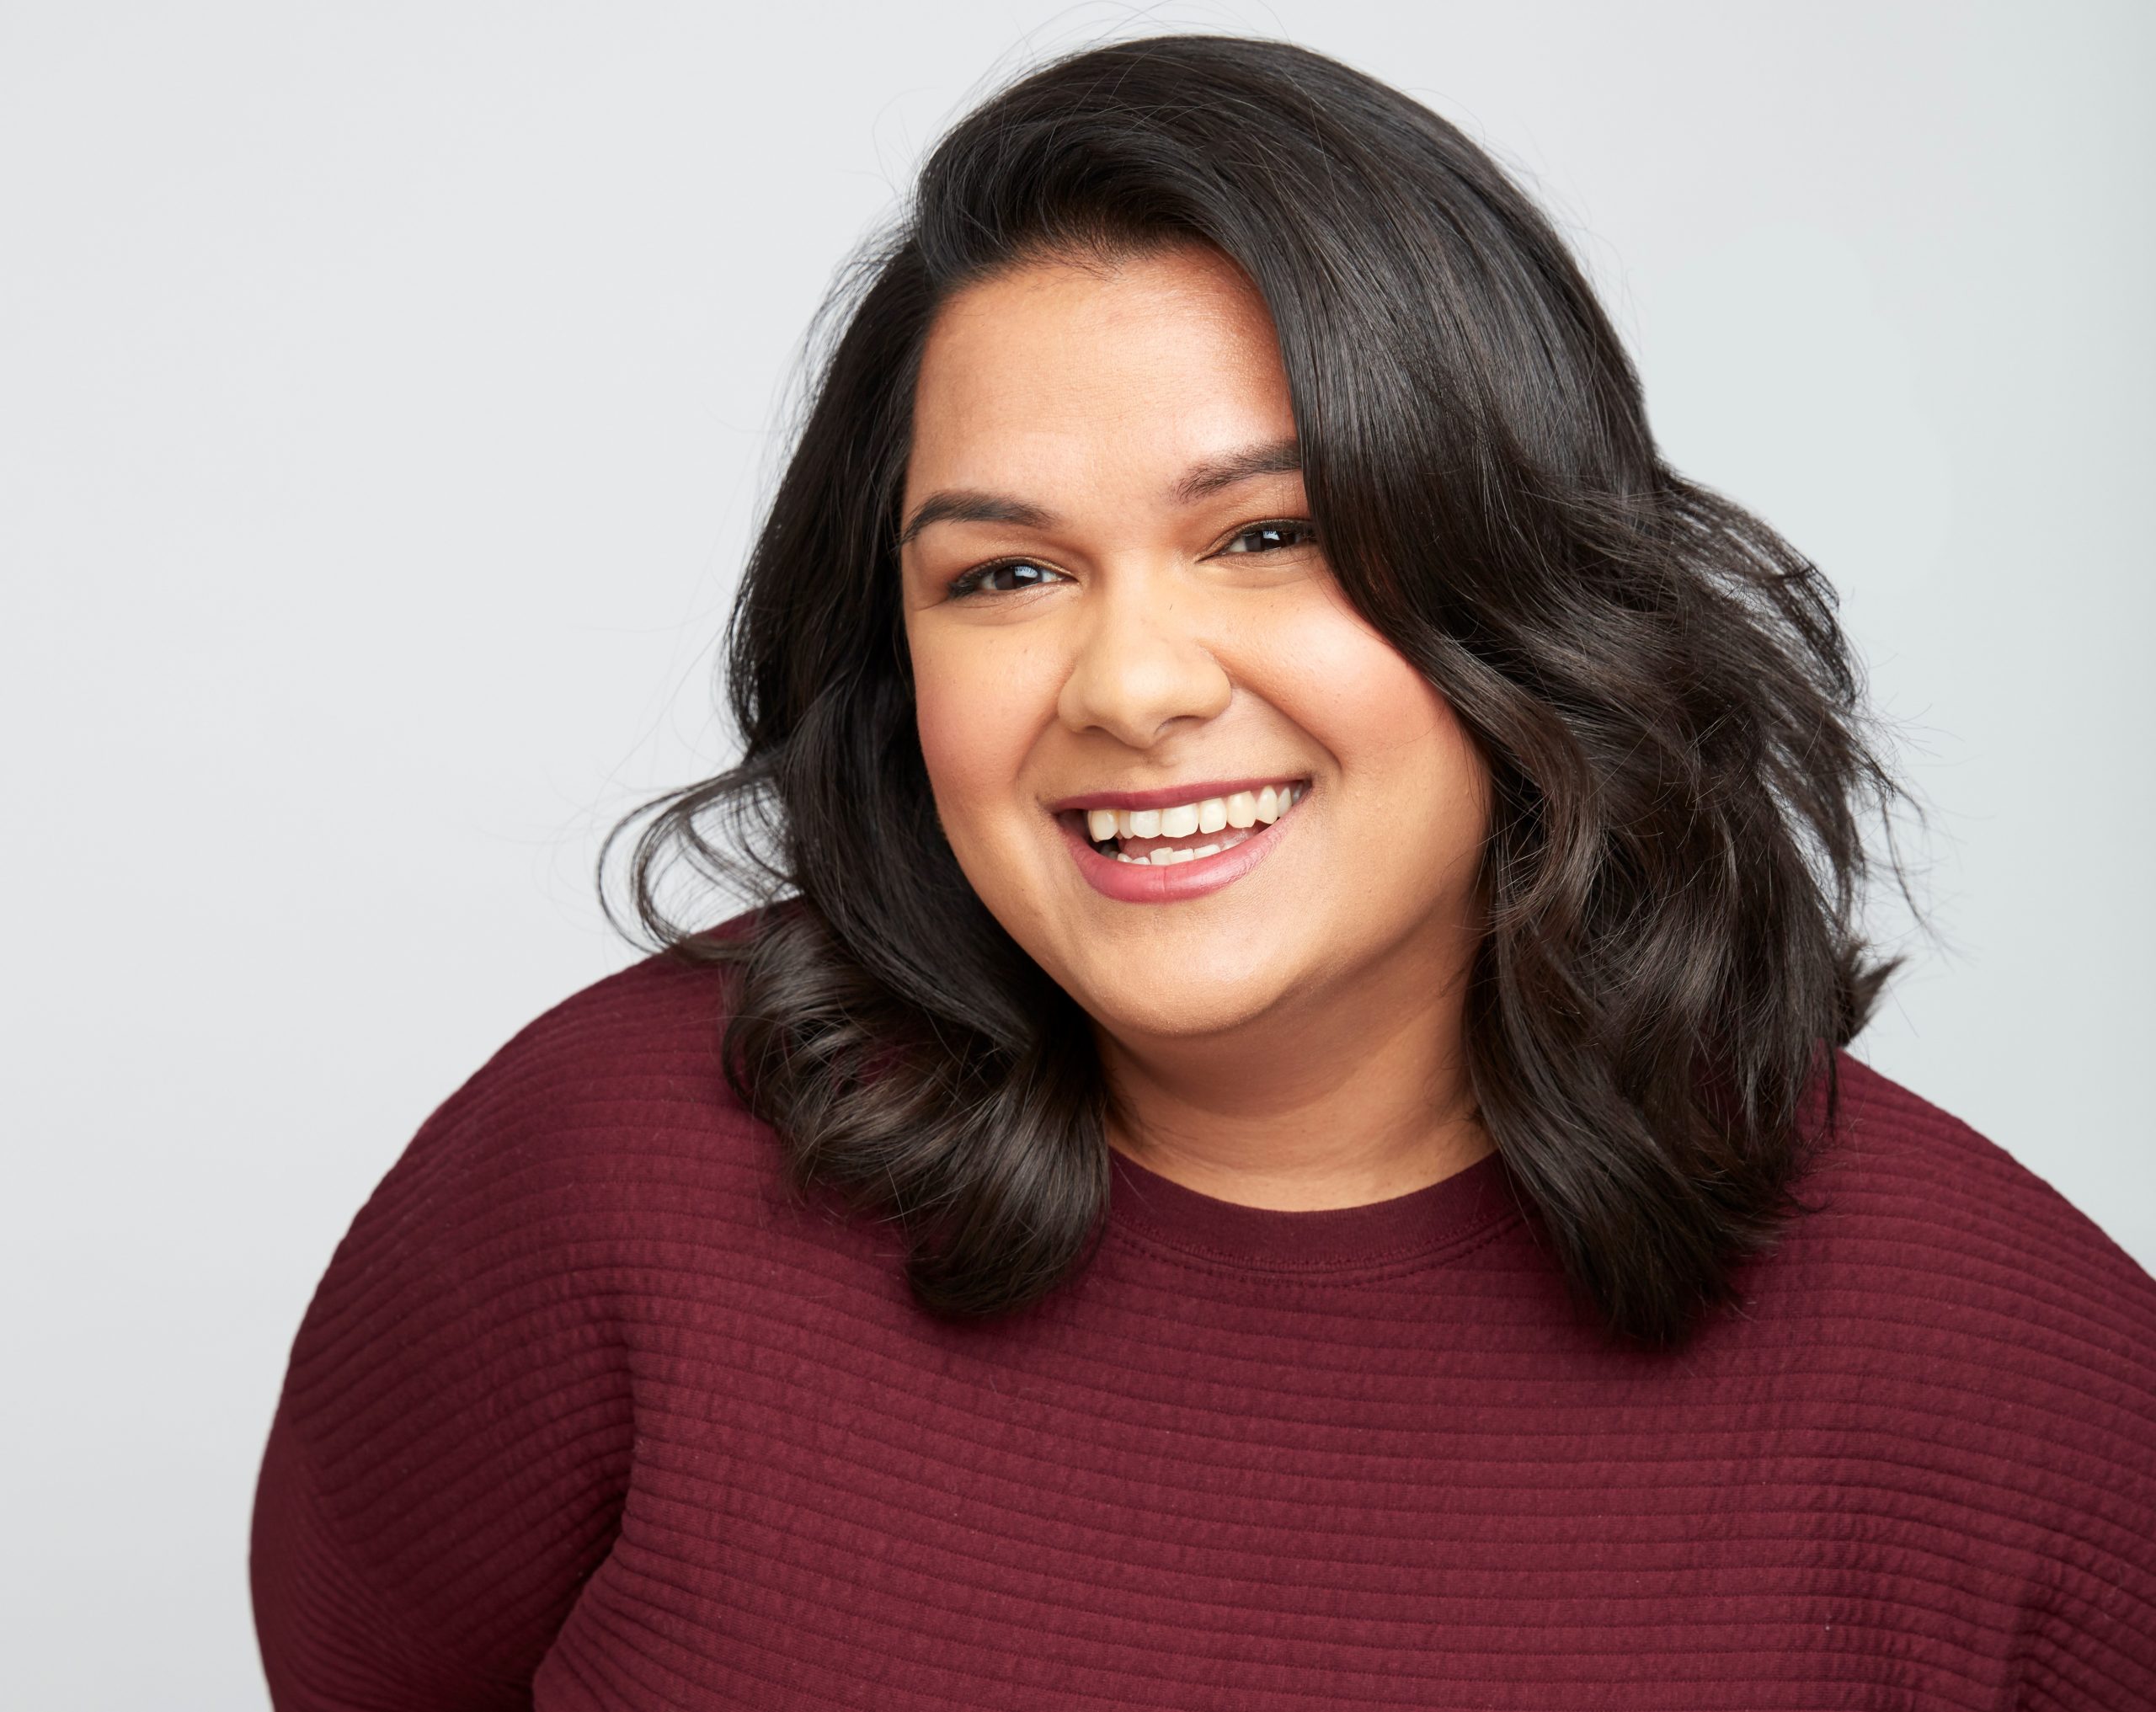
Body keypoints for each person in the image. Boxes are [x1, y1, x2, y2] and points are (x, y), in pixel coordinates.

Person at [249, 35, 2156, 1709]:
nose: (1133, 685)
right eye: (1005, 573)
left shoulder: (2006, 1372)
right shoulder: (599, 1178)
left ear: (1528, 585)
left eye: (1266, 536)